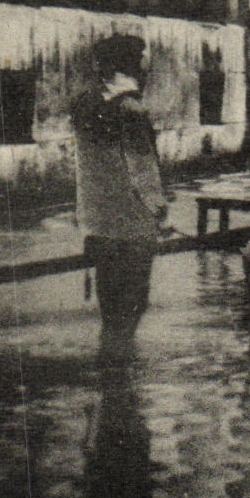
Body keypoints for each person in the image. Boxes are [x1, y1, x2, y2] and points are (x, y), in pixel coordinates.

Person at [71, 34, 166, 353]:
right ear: (132, 67)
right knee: (133, 303)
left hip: (97, 223)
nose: (145, 69)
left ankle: (110, 363)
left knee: (110, 305)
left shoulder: (85, 105)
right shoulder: (131, 109)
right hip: (131, 225)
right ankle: (120, 368)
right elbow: (142, 169)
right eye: (140, 63)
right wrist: (158, 209)